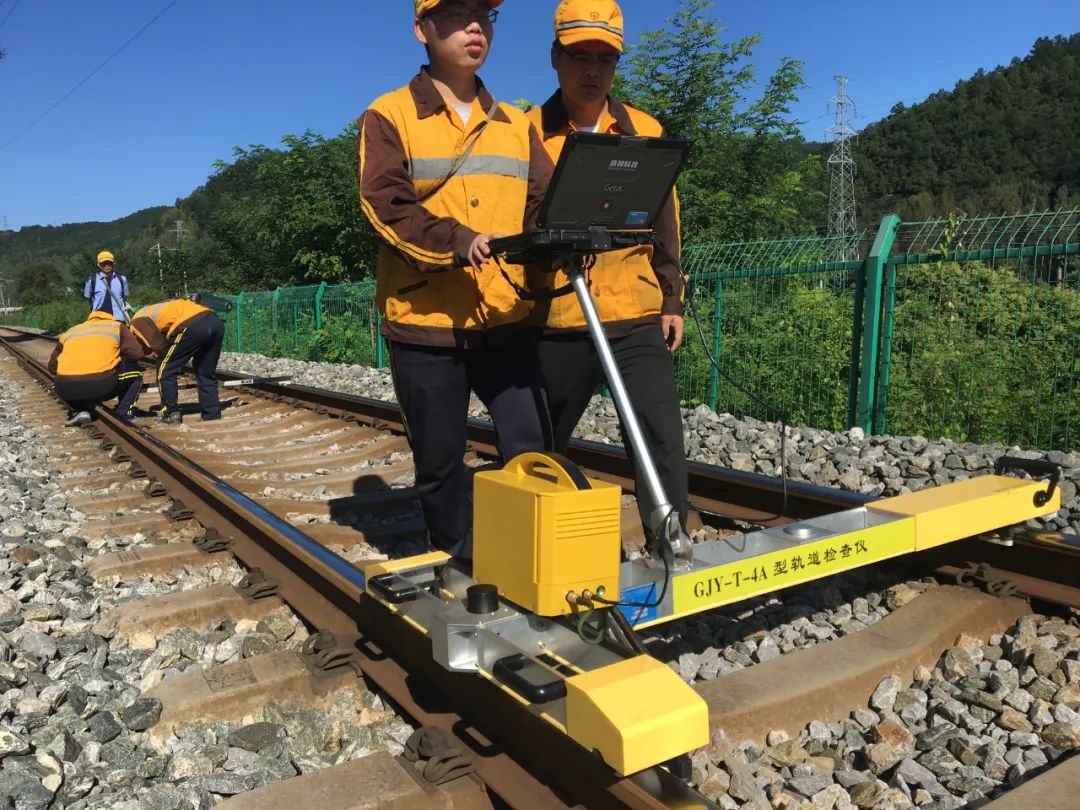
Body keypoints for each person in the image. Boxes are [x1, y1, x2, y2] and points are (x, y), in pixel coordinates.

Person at [356, 0, 554, 562]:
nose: (474, 27)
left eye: (484, 16)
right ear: (421, 30)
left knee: (531, 447)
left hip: (506, 315)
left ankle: (527, 557)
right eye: (456, 14)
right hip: (426, 323)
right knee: (440, 461)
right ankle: (457, 560)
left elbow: (543, 204)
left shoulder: (516, 123)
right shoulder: (389, 115)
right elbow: (385, 206)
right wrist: (457, 241)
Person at [527, 0, 690, 536]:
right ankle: (534, 546)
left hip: (635, 312)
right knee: (540, 444)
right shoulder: (524, 134)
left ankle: (672, 544)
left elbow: (664, 222)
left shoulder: (643, 128)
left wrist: (671, 298)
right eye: (580, 56)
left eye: (606, 58)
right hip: (559, 316)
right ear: (556, 57)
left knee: (660, 437)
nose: (593, 70)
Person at [130, 299, 225, 424]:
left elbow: (159, 345)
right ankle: (212, 414)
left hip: (192, 324)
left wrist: (162, 356)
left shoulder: (137, 321)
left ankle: (170, 413)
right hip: (215, 322)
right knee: (205, 372)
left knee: (165, 368)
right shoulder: (158, 312)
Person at [48, 311, 146, 426]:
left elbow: (52, 367)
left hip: (65, 390)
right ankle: (123, 413)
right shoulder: (117, 326)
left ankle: (79, 409)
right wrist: (118, 355)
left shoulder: (72, 330)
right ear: (111, 316)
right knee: (136, 373)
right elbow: (137, 354)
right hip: (102, 386)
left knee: (62, 377)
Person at [83, 251, 131, 317]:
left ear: (113, 263)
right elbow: (89, 300)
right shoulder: (91, 281)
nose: (107, 265)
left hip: (119, 318)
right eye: (103, 263)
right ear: (98, 264)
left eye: (109, 263)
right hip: (98, 318)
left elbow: (124, 298)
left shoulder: (122, 279)